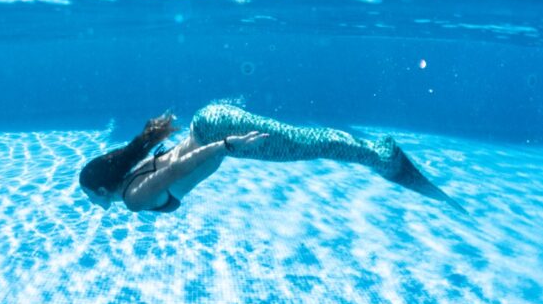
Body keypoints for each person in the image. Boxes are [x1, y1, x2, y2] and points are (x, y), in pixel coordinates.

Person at [79, 101, 463, 214]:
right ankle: (377, 153)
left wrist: (229, 146)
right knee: (304, 143)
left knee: (308, 145)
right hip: (210, 122)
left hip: (217, 132)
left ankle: (384, 157)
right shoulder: (131, 181)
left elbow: (181, 166)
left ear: (101, 188)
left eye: (90, 197)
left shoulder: (132, 198)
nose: (93, 203)